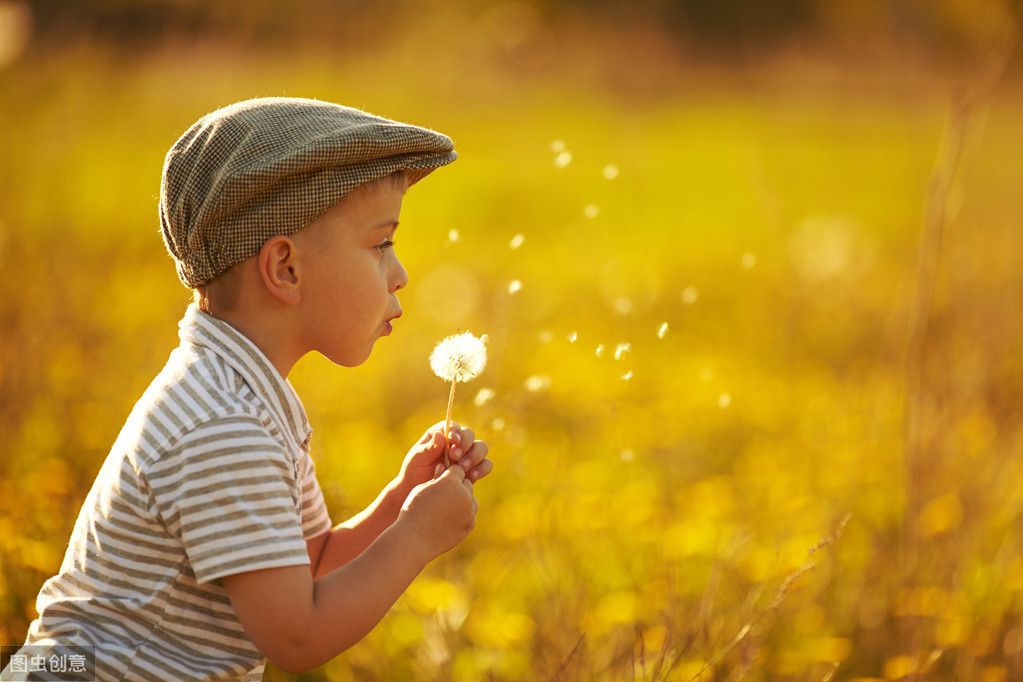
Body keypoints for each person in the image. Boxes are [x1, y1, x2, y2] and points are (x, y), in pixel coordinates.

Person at [3, 97, 493, 681]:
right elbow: (296, 635)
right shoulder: (222, 426)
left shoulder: (245, 396)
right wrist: (415, 537)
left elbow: (306, 567)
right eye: (380, 244)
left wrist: (399, 499)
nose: (400, 272)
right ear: (285, 268)